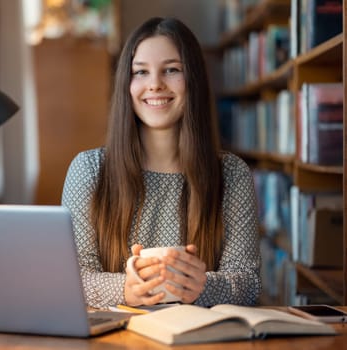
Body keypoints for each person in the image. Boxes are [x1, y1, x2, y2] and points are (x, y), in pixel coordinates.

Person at [61, 17, 261, 308]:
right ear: (126, 85)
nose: (155, 84)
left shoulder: (231, 174)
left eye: (171, 70)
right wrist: (125, 289)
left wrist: (202, 286)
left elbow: (248, 283)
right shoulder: (89, 170)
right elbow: (72, 278)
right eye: (140, 72)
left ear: (193, 79)